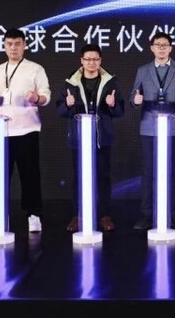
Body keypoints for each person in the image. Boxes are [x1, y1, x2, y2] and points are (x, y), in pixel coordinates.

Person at [0, 28, 51, 233]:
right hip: (1, 130)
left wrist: (36, 98)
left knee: (30, 175)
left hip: (27, 129)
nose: (13, 48)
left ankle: (34, 215)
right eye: (9, 44)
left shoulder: (35, 69)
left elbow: (46, 95)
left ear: (25, 45)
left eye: (17, 44)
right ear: (4, 46)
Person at [56, 44, 124, 232]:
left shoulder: (110, 82)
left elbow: (120, 111)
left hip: (102, 137)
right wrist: (68, 104)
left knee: (103, 178)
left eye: (95, 59)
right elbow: (60, 110)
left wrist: (112, 105)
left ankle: (105, 216)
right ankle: (77, 216)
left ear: (100, 61)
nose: (91, 63)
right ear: (82, 61)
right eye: (88, 59)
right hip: (79, 139)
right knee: (79, 178)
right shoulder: (70, 82)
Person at [129, 32, 175, 230]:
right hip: (149, 125)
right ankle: (147, 215)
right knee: (148, 172)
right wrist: (135, 100)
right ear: (152, 48)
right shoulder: (143, 70)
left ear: (171, 48)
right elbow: (134, 95)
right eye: (158, 44)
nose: (162, 48)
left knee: (174, 172)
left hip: (174, 124)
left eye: (165, 45)